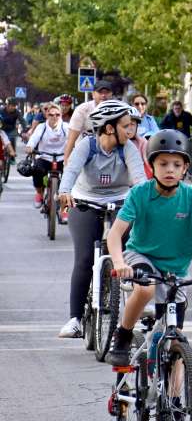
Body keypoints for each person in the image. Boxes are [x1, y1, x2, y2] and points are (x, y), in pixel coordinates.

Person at [104, 129, 192, 366]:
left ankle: (174, 398)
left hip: (176, 269)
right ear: (152, 165)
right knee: (145, 289)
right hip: (140, 255)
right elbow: (114, 234)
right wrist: (119, 262)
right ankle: (123, 334)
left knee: (175, 338)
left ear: (185, 168)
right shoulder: (140, 194)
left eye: (177, 164)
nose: (170, 170)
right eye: (163, 163)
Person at [55, 101, 146, 339]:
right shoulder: (87, 145)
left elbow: (139, 178)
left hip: (120, 201)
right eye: (125, 126)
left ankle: (131, 304)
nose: (130, 130)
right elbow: (72, 170)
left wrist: (147, 201)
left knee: (127, 253)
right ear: (108, 128)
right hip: (84, 200)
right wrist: (64, 191)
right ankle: (75, 319)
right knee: (84, 258)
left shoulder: (128, 147)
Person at [24, 104, 68, 207]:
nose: (54, 117)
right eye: (51, 114)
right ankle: (39, 193)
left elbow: (73, 139)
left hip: (62, 158)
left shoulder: (65, 126)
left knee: (68, 180)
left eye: (57, 114)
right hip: (44, 157)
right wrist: (29, 147)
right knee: (37, 171)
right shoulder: (42, 127)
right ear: (47, 115)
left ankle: (65, 209)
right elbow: (34, 138)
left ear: (61, 115)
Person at [63, 78, 116, 162]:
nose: (103, 95)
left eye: (106, 92)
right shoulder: (83, 109)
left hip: (108, 155)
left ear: (111, 94)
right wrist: (66, 159)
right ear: (93, 94)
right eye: (100, 92)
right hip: (84, 154)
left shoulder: (116, 110)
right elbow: (72, 136)